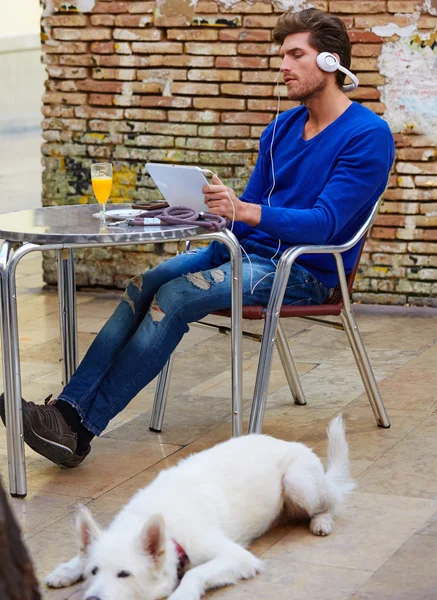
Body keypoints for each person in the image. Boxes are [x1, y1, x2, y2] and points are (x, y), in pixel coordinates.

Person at [0, 8, 395, 467]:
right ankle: (65, 412)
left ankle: (81, 429)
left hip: (305, 270)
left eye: (295, 55)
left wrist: (244, 210)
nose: (282, 66)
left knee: (179, 294)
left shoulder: (367, 135)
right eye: (281, 55)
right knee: (146, 282)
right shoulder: (281, 128)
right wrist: (203, 211)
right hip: (245, 254)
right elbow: (249, 209)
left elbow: (326, 223)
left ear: (330, 63)